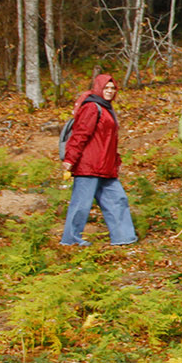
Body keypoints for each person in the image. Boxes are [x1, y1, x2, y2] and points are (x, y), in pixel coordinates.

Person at [60, 73, 138, 247]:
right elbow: (80, 134)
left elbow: (108, 140)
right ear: (98, 88)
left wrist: (115, 161)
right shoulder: (92, 107)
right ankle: (71, 240)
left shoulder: (107, 108)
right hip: (89, 165)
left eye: (112, 88)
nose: (109, 91)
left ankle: (124, 237)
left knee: (118, 200)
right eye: (106, 88)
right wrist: (70, 158)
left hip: (106, 166)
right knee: (81, 205)